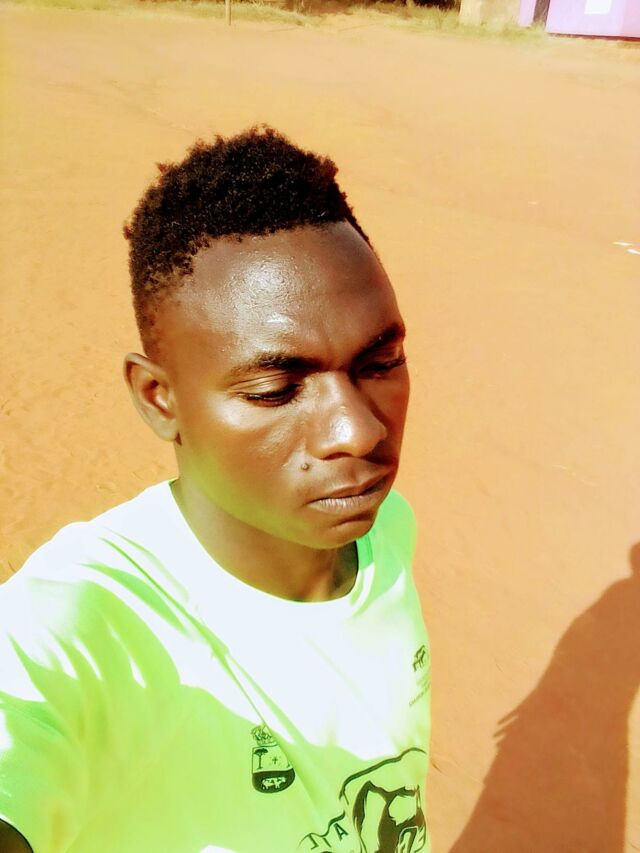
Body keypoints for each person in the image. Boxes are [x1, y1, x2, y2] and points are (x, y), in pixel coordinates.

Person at [0, 126, 431, 853]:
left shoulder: (386, 528)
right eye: (274, 389)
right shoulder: (84, 622)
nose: (358, 431)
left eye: (380, 362)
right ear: (160, 397)